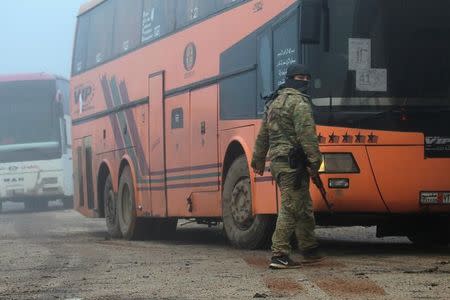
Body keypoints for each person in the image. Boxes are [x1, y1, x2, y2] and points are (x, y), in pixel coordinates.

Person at [251, 64, 324, 269]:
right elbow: (307, 135)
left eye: (306, 77)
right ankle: (280, 254)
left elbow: (263, 135)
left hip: (279, 162)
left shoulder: (273, 103)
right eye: (301, 77)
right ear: (292, 78)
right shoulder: (299, 103)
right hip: (293, 164)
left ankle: (309, 248)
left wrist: (257, 160)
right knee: (291, 207)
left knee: (303, 205)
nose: (304, 81)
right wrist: (315, 162)